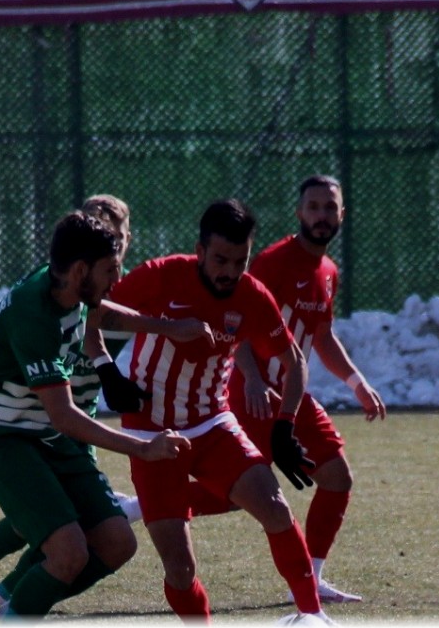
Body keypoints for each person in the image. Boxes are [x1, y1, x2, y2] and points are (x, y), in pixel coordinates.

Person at [0, 210, 210, 620]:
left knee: (117, 543)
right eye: (110, 269)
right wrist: (144, 448)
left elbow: (103, 313)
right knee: (67, 551)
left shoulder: (65, 287)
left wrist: (168, 328)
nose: (117, 278)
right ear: (80, 270)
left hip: (44, 434)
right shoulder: (33, 316)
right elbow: (65, 417)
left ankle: (10, 610)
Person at [106, 199, 330, 624]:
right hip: (151, 433)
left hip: (212, 421)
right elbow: (97, 313)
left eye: (240, 261)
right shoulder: (162, 275)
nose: (230, 271)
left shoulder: (251, 296)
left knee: (276, 508)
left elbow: (294, 361)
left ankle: (311, 615)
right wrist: (164, 331)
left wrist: (284, 426)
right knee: (180, 568)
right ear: (200, 251)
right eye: (221, 260)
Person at [169, 175, 387, 605]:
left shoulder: (328, 271)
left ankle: (311, 579)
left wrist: (356, 382)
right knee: (244, 492)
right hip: (255, 392)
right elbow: (237, 316)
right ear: (299, 212)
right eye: (314, 207)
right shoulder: (273, 261)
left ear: (342, 215)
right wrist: (251, 378)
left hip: (290, 393)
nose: (321, 215)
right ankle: (144, 504)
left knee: (335, 477)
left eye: (330, 207)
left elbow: (321, 336)